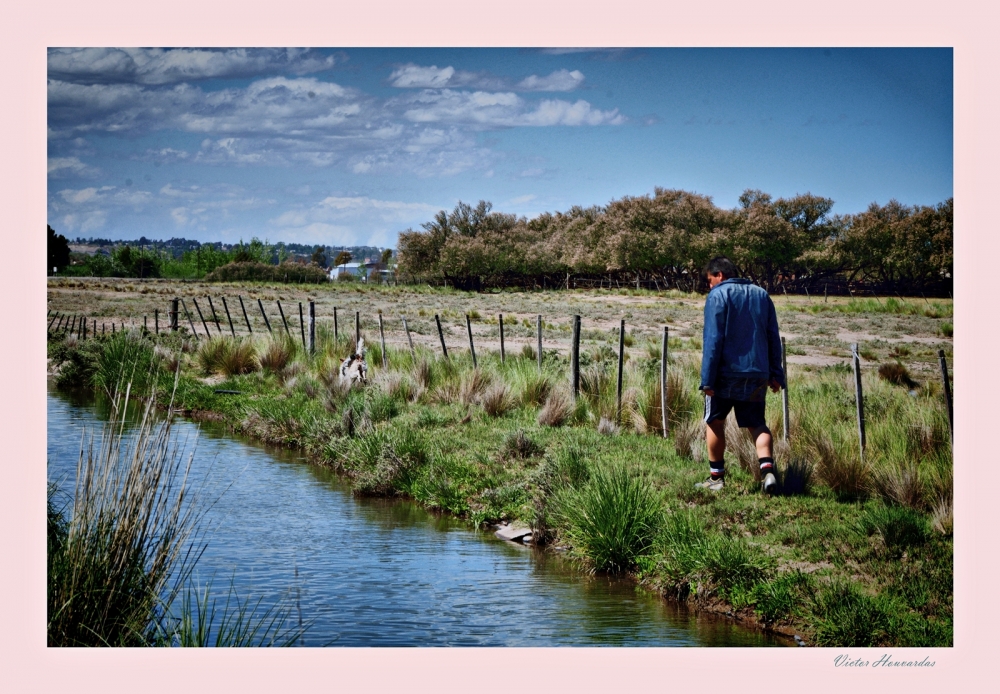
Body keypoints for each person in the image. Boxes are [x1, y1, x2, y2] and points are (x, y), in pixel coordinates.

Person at [695, 257, 785, 494]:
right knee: (757, 424)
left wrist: (707, 380)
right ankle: (767, 472)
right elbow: (772, 337)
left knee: (714, 421)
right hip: (757, 373)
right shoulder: (762, 295)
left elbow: (713, 341)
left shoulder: (717, 296)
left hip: (725, 373)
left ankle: (716, 479)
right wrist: (776, 373)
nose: (709, 285)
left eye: (709, 280)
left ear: (720, 275)